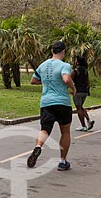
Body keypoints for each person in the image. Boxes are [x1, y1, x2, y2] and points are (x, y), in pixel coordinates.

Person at [27, 41, 76, 171]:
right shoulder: (64, 65)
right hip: (62, 102)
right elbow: (66, 79)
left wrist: (46, 82)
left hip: (46, 102)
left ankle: (38, 146)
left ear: (52, 51)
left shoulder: (43, 65)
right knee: (65, 131)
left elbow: (33, 80)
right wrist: (73, 87)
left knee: (45, 129)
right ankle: (62, 161)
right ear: (63, 51)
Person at [72, 56, 95, 131]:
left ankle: (83, 125)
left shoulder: (75, 71)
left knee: (78, 108)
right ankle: (88, 120)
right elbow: (88, 82)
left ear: (78, 62)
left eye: (76, 60)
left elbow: (70, 82)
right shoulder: (85, 71)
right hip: (84, 92)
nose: (75, 61)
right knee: (81, 107)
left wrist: (72, 89)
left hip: (77, 91)